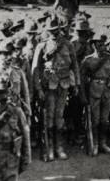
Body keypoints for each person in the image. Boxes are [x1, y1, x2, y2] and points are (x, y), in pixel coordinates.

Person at [31, 17, 80, 161]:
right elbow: (35, 69)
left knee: (60, 116)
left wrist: (76, 84)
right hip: (49, 85)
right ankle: (49, 147)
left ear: (60, 29)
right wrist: (38, 88)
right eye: (50, 30)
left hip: (64, 84)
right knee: (49, 117)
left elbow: (74, 65)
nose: (53, 33)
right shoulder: (42, 46)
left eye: (56, 30)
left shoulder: (68, 45)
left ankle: (59, 146)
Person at [79, 34, 110, 156]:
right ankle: (95, 143)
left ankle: (103, 143)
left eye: (103, 44)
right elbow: (81, 80)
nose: (101, 47)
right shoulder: (88, 60)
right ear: (93, 45)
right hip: (94, 91)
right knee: (95, 120)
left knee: (105, 120)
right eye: (98, 44)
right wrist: (83, 95)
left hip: (108, 91)